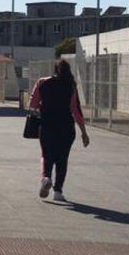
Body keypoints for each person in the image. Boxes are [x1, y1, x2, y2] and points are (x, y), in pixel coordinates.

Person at [29, 59, 90, 202]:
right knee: (62, 159)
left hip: (47, 125)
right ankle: (58, 191)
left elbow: (32, 103)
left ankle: (46, 178)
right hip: (67, 127)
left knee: (47, 154)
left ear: (55, 70)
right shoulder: (71, 86)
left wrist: (43, 105)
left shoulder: (42, 82)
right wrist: (84, 133)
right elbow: (76, 110)